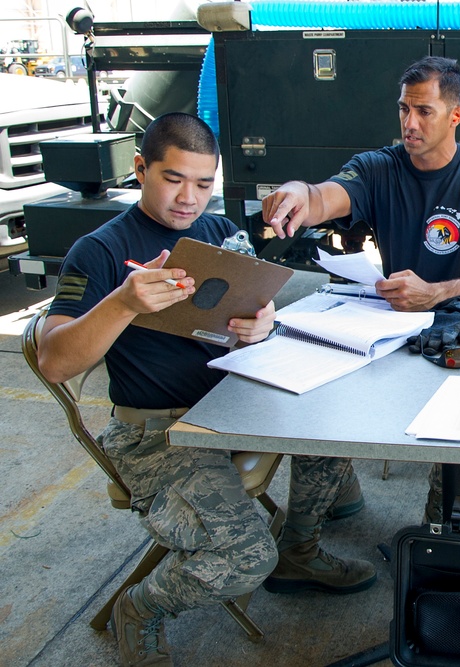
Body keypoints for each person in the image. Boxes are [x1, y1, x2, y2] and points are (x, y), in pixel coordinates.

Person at [37, 112, 376, 667]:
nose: (188, 198)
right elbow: (54, 361)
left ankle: (300, 552)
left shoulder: (219, 233)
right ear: (141, 169)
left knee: (340, 414)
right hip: (160, 433)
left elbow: (248, 315)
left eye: (203, 183)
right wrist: (123, 302)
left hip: (233, 399)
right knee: (243, 558)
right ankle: (140, 608)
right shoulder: (99, 250)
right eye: (173, 180)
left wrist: (258, 326)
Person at [262, 56, 460, 523]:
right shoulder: (377, 168)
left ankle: (439, 541)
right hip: (393, 324)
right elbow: (325, 195)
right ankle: (300, 546)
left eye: (424, 111)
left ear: (455, 115)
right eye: (404, 109)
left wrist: (437, 292)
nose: (410, 123)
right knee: (317, 401)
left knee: (455, 445)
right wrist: (297, 192)